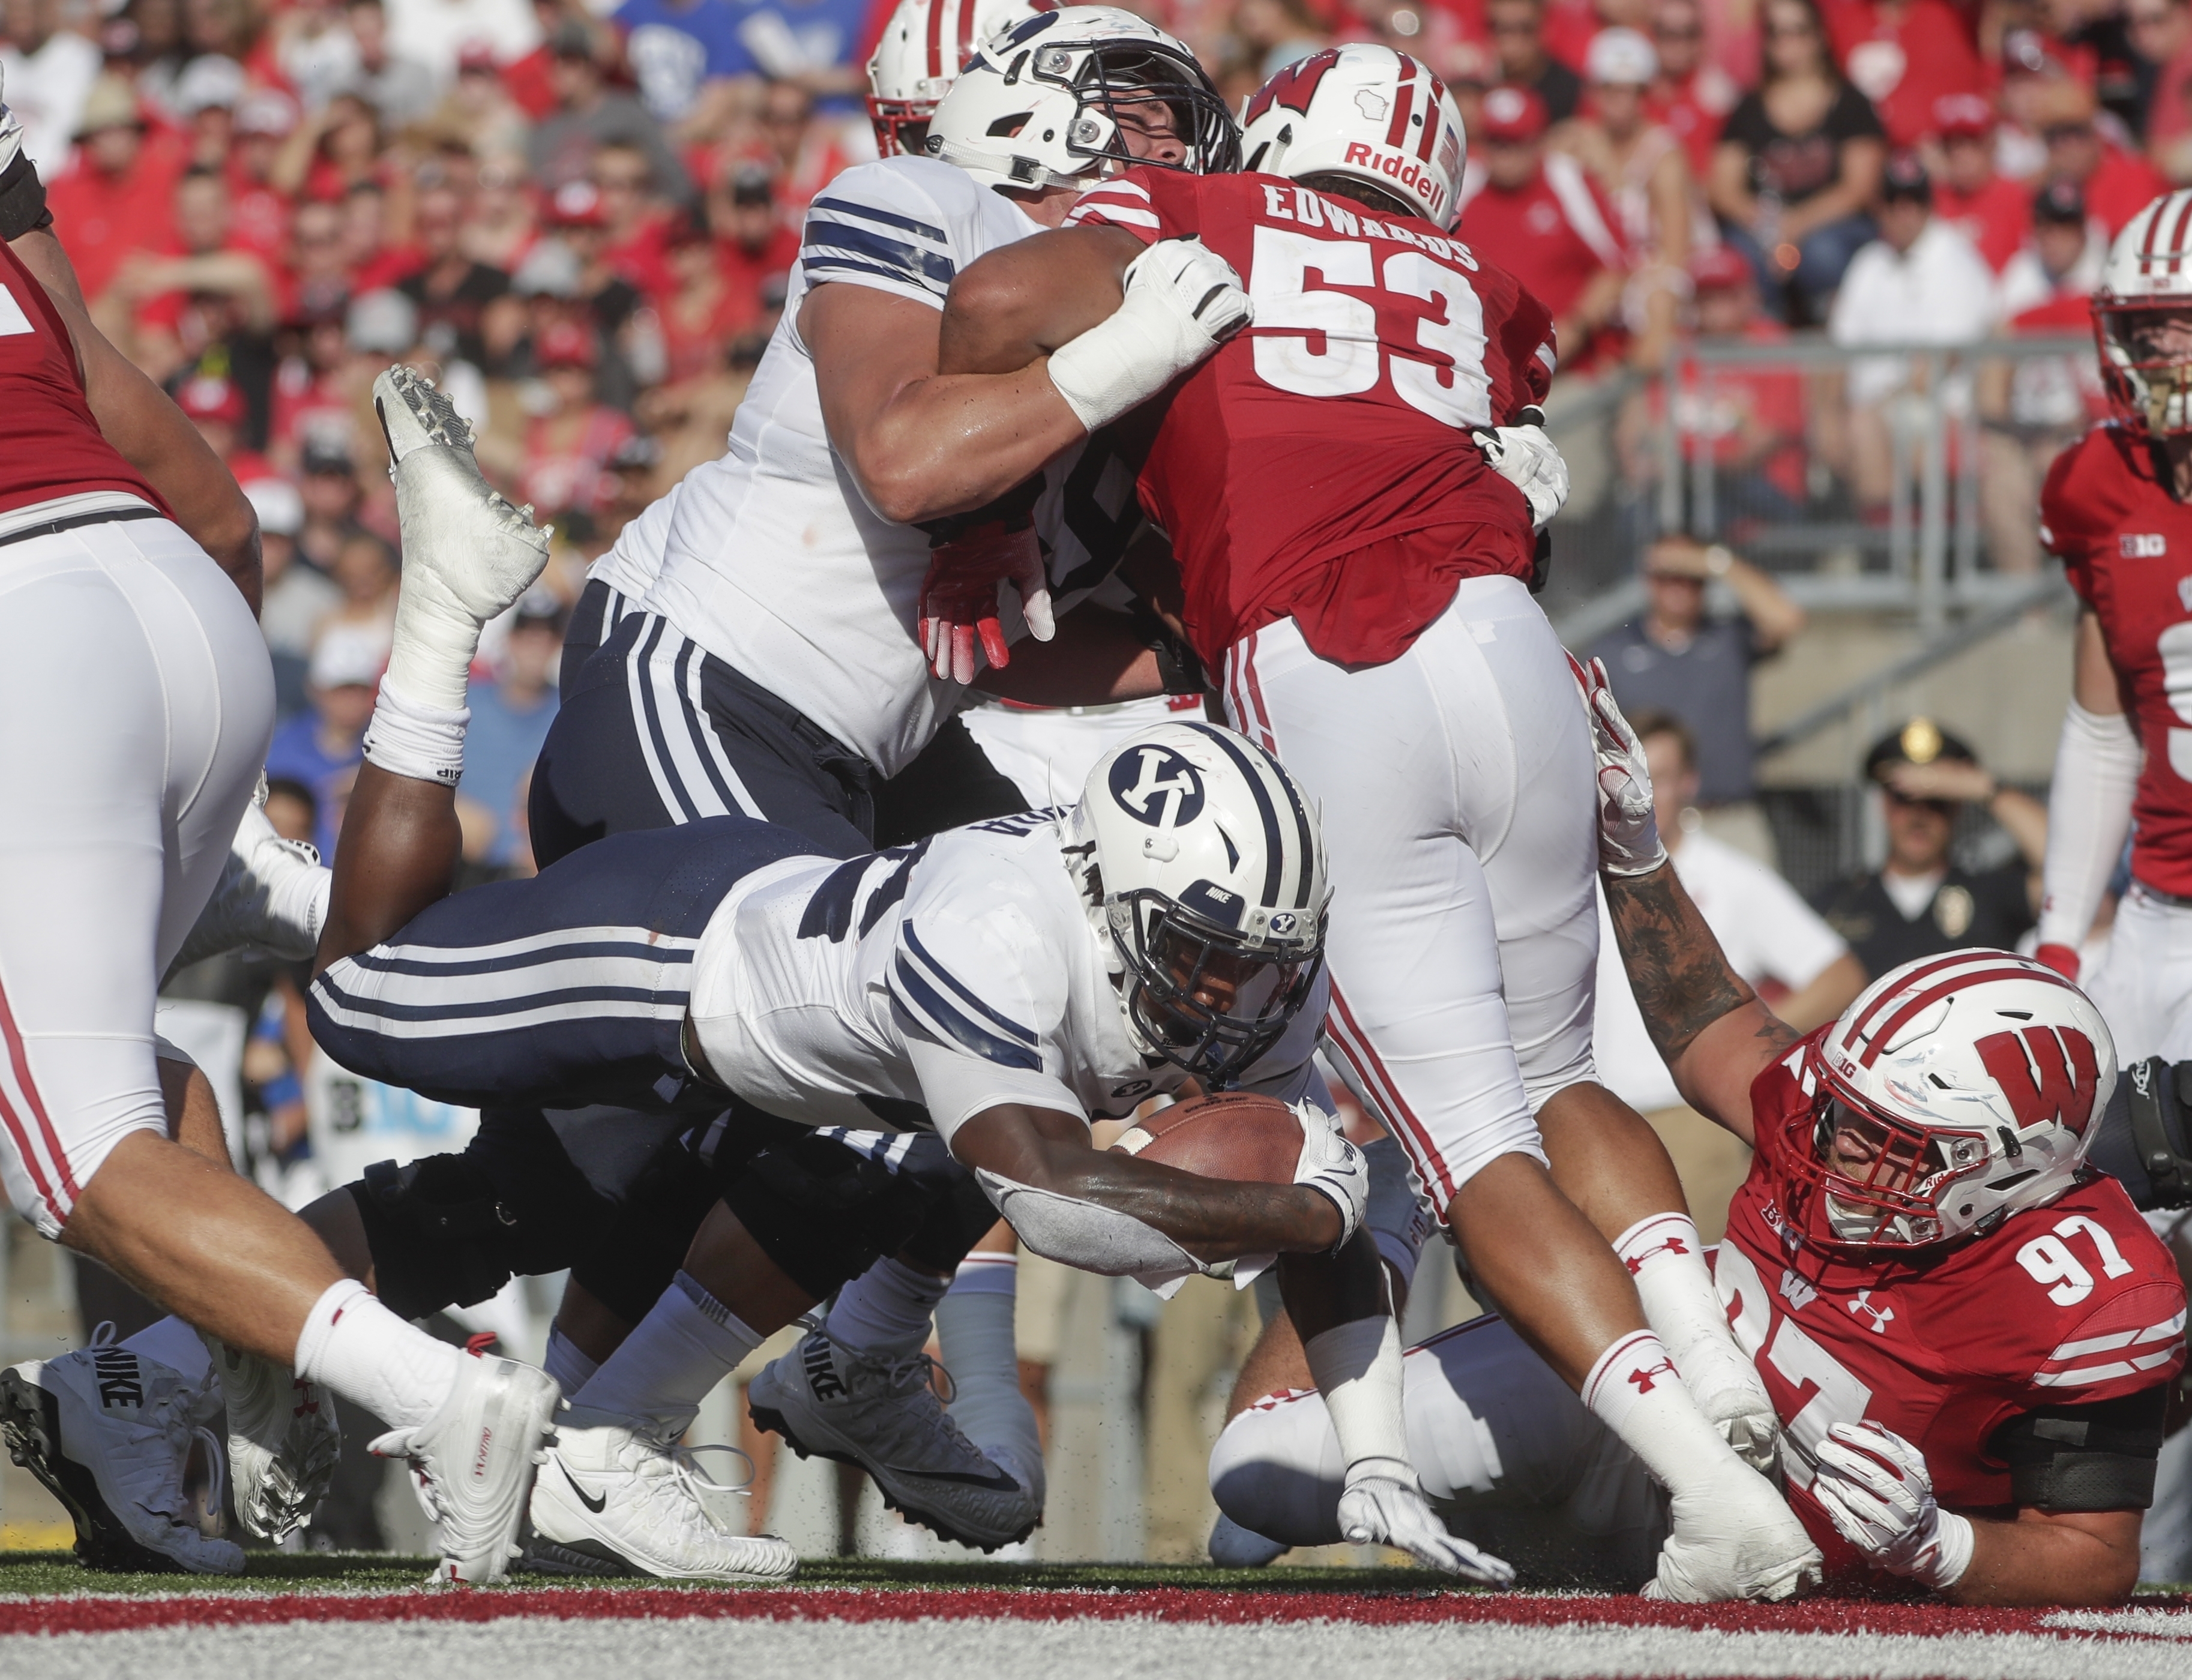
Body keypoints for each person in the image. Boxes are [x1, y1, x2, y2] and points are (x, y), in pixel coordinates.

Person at [304, 367, 1473, 1585]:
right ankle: (440, 612)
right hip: (672, 953)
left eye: (1250, 960)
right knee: (358, 996)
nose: (1227, 996)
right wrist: (1291, 1205)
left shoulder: (1255, 968)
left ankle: (619, 1440)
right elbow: (1057, 1198)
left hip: (833, 1032)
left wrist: (1376, 1459)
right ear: (1112, 891)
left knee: (887, 1166)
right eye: (1198, 955)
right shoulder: (1001, 932)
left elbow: (1316, 1220)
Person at [932, 42, 1823, 1603]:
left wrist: (1035, 433)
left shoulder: (1207, 210)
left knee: (1468, 1144)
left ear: (1280, 133)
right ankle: (1716, 1363)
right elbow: (1507, 455)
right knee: (1557, 1080)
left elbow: (1007, 305)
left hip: (1330, 653)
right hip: (1516, 654)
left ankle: (1700, 1475)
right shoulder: (1479, 279)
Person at [1207, 667, 2185, 1607]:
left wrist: (1943, 1542)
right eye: (1847, 1110)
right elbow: (1698, 1011)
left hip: (1770, 1546)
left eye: (1888, 1139)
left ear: (2000, 1172)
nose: (1834, 1141)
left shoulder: (2086, 1291)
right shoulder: (1837, 1106)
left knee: (1520, 1580)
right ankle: (1382, 1200)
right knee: (1258, 1473)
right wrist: (1633, 848)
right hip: (1636, 1369)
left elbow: (2091, 1554)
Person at [0, 95, 557, 1585]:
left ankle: (441, 1397)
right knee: (100, 1056)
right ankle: (160, 1382)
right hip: (172, 591)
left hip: (26, 631)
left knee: (75, 1155)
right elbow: (197, 489)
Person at [2027, 190, 2192, 1581]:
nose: (2165, 359)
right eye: (2147, 331)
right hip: (2153, 913)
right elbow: (2099, 722)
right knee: (2117, 1243)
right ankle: (2137, 1571)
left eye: (2183, 331)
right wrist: (2055, 929)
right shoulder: (2092, 480)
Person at [1588, 708, 1864, 1236]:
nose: (1640, 794)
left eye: (1658, 778)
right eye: (1627, 776)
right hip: (1594, 1122)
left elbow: (1840, 975)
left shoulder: (1731, 877)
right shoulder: (1579, 872)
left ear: (1689, 784)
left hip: (1690, 1124)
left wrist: (1738, 1047)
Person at [1589, 533, 1804, 863]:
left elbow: (1787, 620)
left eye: (1691, 578)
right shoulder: (1614, 652)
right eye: (1667, 576)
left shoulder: (1728, 637)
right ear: (1649, 581)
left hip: (1728, 818)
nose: (1678, 586)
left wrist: (1716, 562)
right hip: (1647, 825)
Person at [1825, 152, 1999, 517]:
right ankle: (1882, 541)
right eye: (1894, 202)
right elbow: (1838, 350)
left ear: (1927, 206)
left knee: (1866, 426)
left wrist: (1878, 403)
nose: (1904, 213)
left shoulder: (1954, 259)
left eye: (1914, 202)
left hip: (1938, 405)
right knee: (1843, 423)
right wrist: (1829, 414)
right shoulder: (1869, 263)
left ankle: (1888, 549)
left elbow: (1941, 361)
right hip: (1877, 404)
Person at [1814, 719, 2049, 980]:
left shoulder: (1991, 894)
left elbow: (2068, 873)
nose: (1919, 816)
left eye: (1936, 801)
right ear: (1884, 805)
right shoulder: (1838, 902)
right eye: (1904, 798)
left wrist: (1984, 789)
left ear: (1957, 806)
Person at [1709, 0, 1885, 322]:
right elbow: (1723, 188)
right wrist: (1767, 226)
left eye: (1796, 31)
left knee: (1821, 254)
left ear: (1818, 36)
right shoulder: (1748, 108)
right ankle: (1766, 347)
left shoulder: (1850, 104)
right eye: (1776, 32)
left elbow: (1858, 188)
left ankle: (1832, 344)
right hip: (1765, 228)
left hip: (1831, 226)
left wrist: (1795, 226)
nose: (1785, 42)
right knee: (1744, 258)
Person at [1456, 84, 1631, 373]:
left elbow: (1614, 265)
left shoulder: (1567, 181)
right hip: (1477, 367)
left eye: (1516, 142)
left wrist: (1574, 328)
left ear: (1536, 141)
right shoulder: (1466, 184)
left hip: (1567, 369)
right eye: (1496, 142)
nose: (1505, 154)